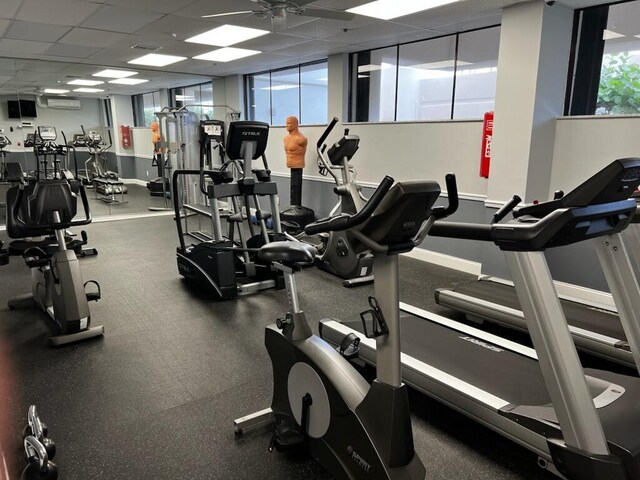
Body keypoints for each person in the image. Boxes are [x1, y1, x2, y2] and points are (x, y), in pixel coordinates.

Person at [283, 115, 308, 206]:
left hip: (298, 165)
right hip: (291, 165)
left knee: (296, 187)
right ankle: (293, 208)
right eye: (286, 123)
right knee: (293, 188)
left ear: (295, 125)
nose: (286, 125)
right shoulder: (285, 139)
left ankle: (296, 208)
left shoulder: (301, 139)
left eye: (289, 123)